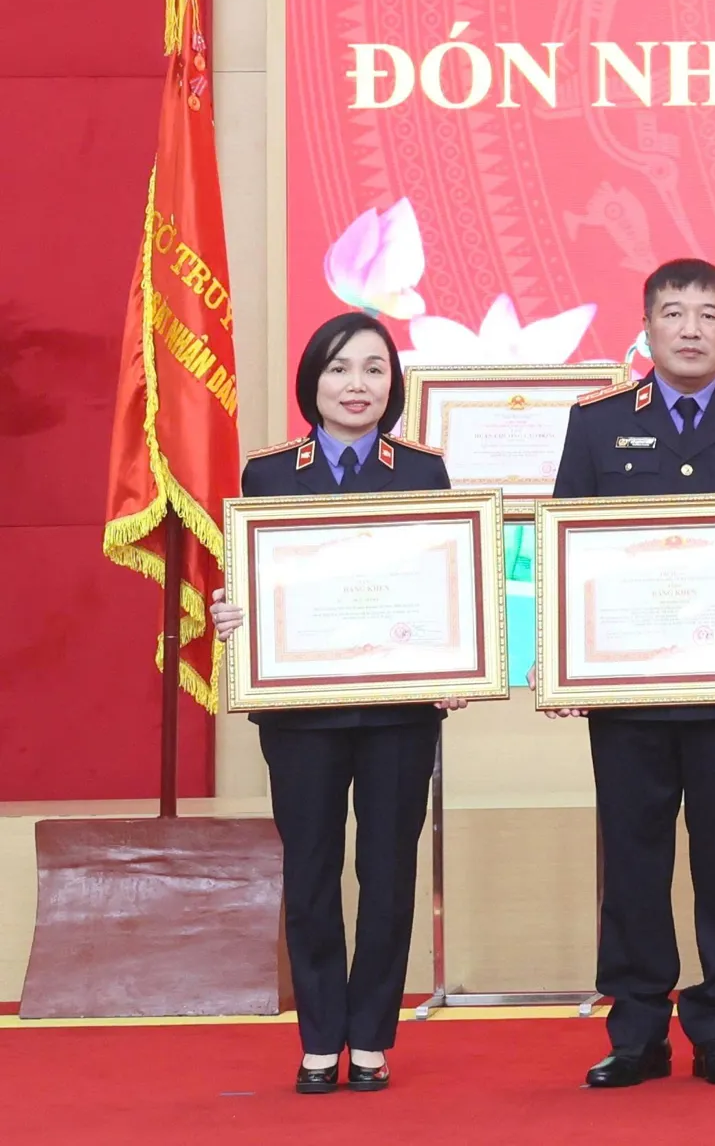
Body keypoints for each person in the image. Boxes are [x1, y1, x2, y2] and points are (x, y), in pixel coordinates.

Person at [545, 258, 715, 1090]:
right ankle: (635, 1031)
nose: (691, 329)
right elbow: (568, 546)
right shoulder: (597, 423)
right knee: (633, 865)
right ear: (647, 327)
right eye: (673, 313)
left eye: (708, 314)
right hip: (628, 697)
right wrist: (567, 661)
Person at [208, 312, 462, 1095]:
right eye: (340, 368)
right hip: (301, 716)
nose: (358, 385)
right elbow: (256, 584)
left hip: (398, 714)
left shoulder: (423, 472)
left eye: (375, 369)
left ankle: (373, 1036)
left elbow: (444, 583)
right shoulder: (268, 475)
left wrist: (460, 649)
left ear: (394, 385)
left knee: (387, 874)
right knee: (311, 872)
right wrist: (234, 615)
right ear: (312, 381)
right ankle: (320, 1038)